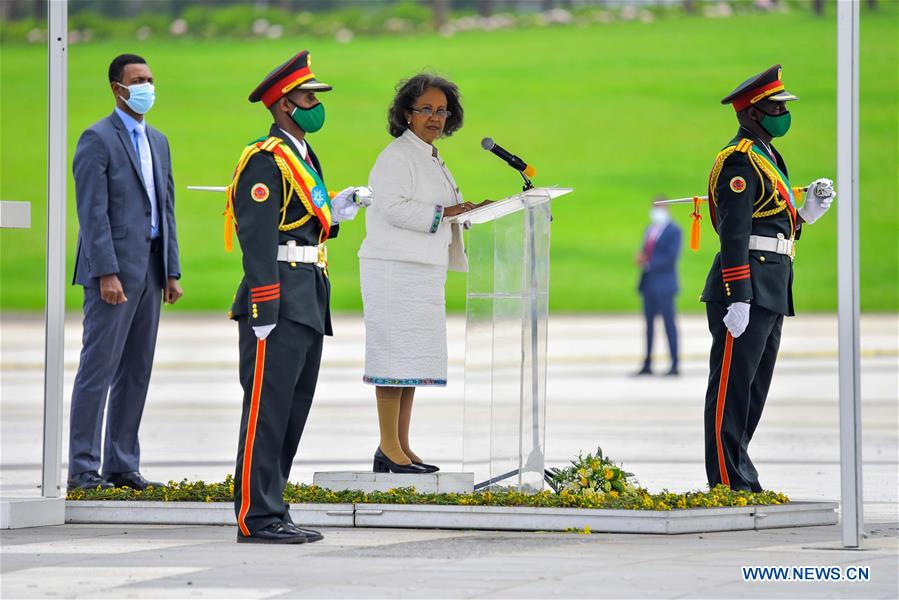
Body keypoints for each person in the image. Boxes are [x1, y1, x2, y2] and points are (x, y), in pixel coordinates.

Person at [225, 50, 363, 544]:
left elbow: (303, 225)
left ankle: (273, 506)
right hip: (277, 301)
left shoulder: (303, 156)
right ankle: (255, 517)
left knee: (291, 410)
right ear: (284, 105)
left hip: (308, 297)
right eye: (308, 97)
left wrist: (337, 213)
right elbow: (256, 236)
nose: (314, 104)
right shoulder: (264, 160)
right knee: (266, 410)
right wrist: (263, 305)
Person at [701, 64, 835, 492]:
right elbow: (734, 232)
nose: (783, 112)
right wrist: (737, 295)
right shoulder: (739, 160)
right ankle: (725, 480)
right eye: (775, 106)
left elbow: (772, 224)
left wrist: (806, 214)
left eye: (782, 105)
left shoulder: (768, 157)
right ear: (752, 113)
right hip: (745, 288)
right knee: (731, 388)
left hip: (772, 285)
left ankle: (741, 473)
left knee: (754, 390)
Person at [68, 53, 182, 492]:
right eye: (138, 80)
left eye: (150, 78)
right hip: (112, 275)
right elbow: (92, 214)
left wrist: (171, 270)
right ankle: (82, 469)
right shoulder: (97, 138)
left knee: (136, 370)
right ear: (117, 88)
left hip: (151, 270)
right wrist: (106, 273)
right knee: (99, 368)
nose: (146, 86)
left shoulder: (159, 140)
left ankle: (122, 463)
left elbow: (165, 209)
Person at [359, 74, 480, 474]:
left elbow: (446, 207)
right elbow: (392, 207)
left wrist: (471, 210)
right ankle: (388, 449)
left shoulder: (430, 156)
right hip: (394, 270)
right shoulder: (397, 156)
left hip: (423, 271)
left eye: (442, 110)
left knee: (410, 362)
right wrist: (446, 214)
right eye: (425, 109)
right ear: (406, 113)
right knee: (393, 358)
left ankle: (400, 446)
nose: (435, 117)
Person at [634, 197, 682, 376]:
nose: (656, 212)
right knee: (648, 325)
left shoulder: (674, 230)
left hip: (665, 284)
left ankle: (674, 363)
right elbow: (645, 249)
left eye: (659, 208)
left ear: (667, 209)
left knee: (669, 323)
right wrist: (642, 258)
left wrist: (648, 261)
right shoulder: (651, 229)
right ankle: (647, 363)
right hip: (648, 283)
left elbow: (671, 256)